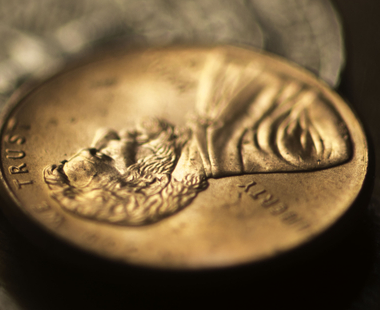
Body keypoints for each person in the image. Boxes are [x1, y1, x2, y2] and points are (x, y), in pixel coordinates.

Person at [43, 51, 352, 226]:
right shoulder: (261, 150)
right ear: (140, 180)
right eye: (103, 154)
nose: (106, 133)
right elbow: (335, 149)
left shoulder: (206, 135)